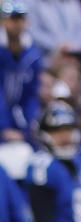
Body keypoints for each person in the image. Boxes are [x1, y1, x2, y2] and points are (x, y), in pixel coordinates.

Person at [0, 0, 40, 142]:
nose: (16, 24)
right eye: (12, 18)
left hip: (16, 113)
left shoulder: (33, 54)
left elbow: (31, 94)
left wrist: (31, 123)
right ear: (4, 21)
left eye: (20, 18)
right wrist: (4, 127)